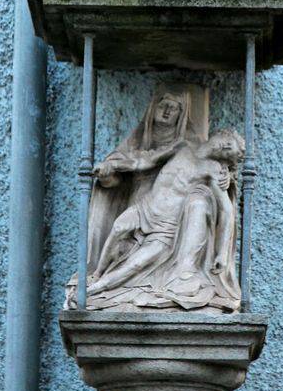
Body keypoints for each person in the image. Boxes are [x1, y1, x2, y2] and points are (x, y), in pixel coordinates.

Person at [88, 129, 244, 304]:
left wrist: (222, 254)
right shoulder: (183, 145)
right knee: (117, 228)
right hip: (146, 208)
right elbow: (144, 162)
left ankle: (98, 288)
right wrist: (112, 166)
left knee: (136, 264)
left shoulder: (213, 169)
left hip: (165, 229)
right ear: (219, 133)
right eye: (227, 140)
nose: (224, 145)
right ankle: (97, 274)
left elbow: (226, 210)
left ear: (226, 160)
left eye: (229, 150)